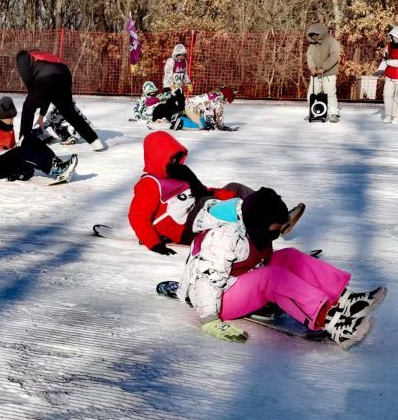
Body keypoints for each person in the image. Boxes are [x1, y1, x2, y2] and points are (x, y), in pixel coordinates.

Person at [178, 189, 387, 347]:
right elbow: (207, 277)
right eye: (275, 227)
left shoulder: (248, 219)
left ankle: (346, 301)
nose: (277, 232)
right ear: (261, 222)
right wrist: (210, 319)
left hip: (238, 278)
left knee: (290, 257)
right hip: (218, 299)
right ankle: (333, 322)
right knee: (273, 278)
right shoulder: (223, 237)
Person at [128, 131, 303, 256]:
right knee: (230, 207)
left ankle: (281, 218)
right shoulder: (149, 183)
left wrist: (217, 192)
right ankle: (266, 227)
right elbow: (137, 216)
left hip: (198, 208)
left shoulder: (179, 172)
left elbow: (199, 191)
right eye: (170, 159)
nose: (174, 162)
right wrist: (153, 242)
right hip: (184, 227)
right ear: (157, 157)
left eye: (176, 158)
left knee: (235, 188)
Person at [0, 96, 75, 182]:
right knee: (22, 152)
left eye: (12, 117)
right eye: (9, 118)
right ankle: (54, 169)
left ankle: (56, 163)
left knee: (29, 139)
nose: (12, 120)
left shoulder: (5, 125)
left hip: (3, 160)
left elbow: (8, 146)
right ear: (0, 117)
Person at [15, 50, 107, 151]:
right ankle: (94, 141)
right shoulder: (41, 54)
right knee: (69, 112)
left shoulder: (22, 56)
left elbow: (28, 78)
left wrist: (32, 97)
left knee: (28, 107)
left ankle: (23, 142)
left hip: (47, 77)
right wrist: (41, 116)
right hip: (65, 75)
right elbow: (47, 94)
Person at [306, 23, 342, 123]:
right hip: (315, 74)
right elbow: (309, 55)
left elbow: (335, 56)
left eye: (315, 34)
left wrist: (324, 68)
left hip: (329, 74)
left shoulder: (332, 41)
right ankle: (313, 112)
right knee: (311, 94)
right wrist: (312, 68)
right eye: (312, 35)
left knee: (330, 93)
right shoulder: (312, 44)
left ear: (320, 32)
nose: (314, 36)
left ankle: (333, 113)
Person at [374, 26, 398, 124]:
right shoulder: (389, 46)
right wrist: (380, 70)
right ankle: (388, 115)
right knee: (387, 95)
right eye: (392, 36)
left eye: (395, 36)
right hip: (389, 75)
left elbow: (392, 62)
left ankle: (396, 116)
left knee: (397, 97)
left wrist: (389, 62)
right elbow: (385, 60)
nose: (393, 39)